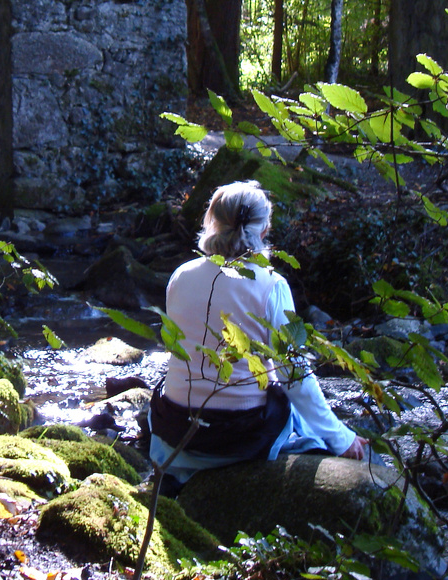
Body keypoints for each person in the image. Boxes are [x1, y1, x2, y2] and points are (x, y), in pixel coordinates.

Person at [148, 179, 369, 487]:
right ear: (264, 230)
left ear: (211, 221)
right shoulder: (271, 284)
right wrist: (341, 438)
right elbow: (294, 373)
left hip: (174, 428)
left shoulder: (180, 276)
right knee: (280, 392)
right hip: (236, 437)